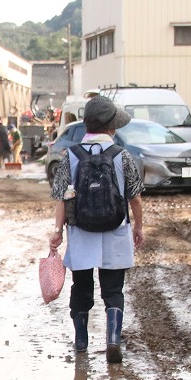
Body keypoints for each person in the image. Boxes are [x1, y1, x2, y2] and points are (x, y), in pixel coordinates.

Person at [48, 95, 144, 363]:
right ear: (111, 127)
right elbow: (135, 197)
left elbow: (61, 198)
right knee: (113, 290)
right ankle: (112, 339)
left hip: (81, 233)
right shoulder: (123, 156)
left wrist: (57, 231)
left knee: (81, 287)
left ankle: (81, 342)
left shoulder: (70, 157)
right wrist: (139, 227)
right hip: (116, 230)